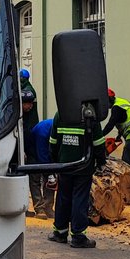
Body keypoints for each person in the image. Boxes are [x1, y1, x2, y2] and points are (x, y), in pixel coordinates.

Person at [47, 106, 107, 249]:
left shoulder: (60, 114)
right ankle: (78, 236)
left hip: (64, 165)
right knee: (79, 199)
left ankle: (60, 233)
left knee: (63, 197)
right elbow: (98, 143)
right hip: (83, 167)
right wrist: (101, 161)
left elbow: (53, 142)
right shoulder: (90, 115)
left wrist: (56, 161)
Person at [19, 69, 45, 217]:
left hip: (30, 141)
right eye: (26, 104)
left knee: (33, 174)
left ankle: (41, 206)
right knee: (25, 175)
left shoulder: (27, 91)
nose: (29, 106)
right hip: (25, 141)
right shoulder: (25, 90)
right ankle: (34, 206)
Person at [30, 116, 56, 217]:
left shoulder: (59, 129)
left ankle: (48, 207)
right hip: (34, 152)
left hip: (47, 150)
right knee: (35, 179)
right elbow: (42, 154)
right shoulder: (42, 132)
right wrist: (49, 172)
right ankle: (39, 207)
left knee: (50, 181)